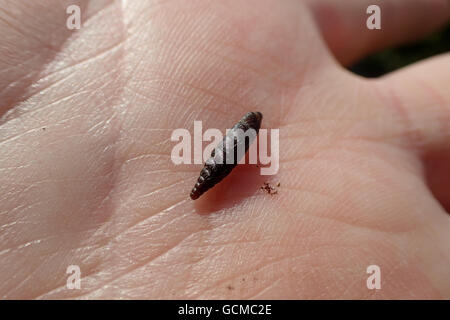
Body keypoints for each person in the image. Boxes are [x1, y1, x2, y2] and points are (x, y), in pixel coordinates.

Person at [0, 0, 449, 299]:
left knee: (215, 174)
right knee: (214, 174)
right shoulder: (242, 141)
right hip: (218, 170)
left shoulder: (242, 139)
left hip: (218, 169)